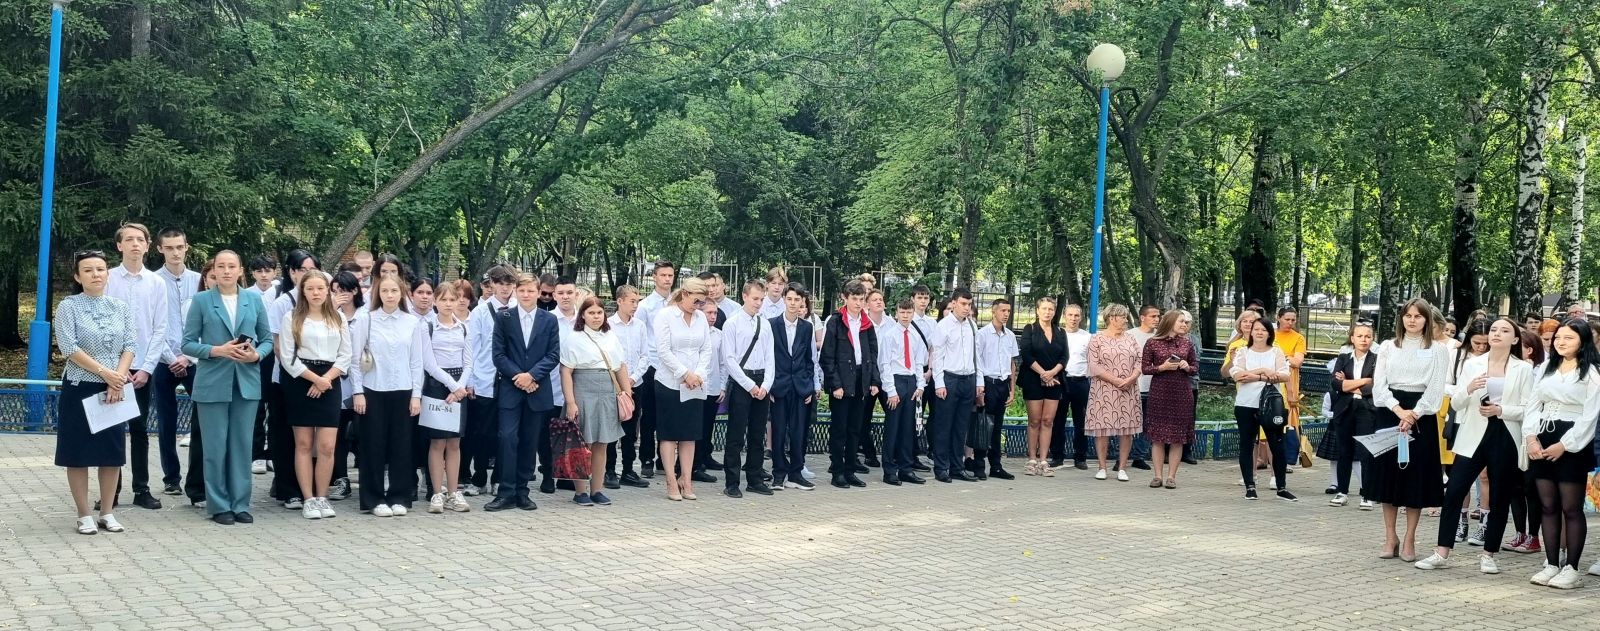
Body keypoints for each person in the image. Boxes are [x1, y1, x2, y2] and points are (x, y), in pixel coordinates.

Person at [1414, 317, 1531, 574]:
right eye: (1494, 330)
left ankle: (1489, 553)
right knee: (1455, 490)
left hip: (1505, 434)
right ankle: (1442, 551)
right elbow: (1456, 403)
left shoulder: (1523, 369)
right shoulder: (1472, 364)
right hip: (1472, 433)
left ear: (1514, 338)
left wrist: (1501, 410)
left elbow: (1528, 408)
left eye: (1504, 330)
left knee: (1499, 495)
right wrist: (1468, 388)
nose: (1497, 334)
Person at [181, 251, 274, 525]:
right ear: (214, 270)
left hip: (246, 381)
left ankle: (240, 503)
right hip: (212, 382)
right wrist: (216, 350)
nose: (226, 271)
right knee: (215, 446)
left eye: (231, 266)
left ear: (241, 270)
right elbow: (187, 344)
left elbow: (267, 340)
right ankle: (218, 504)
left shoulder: (253, 300)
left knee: (242, 445)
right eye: (221, 266)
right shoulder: (201, 300)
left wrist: (256, 355)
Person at [55, 250, 137, 534]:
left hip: (114, 388)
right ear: (78, 277)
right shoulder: (68, 306)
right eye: (88, 270)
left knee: (111, 452)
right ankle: (83, 514)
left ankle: (107, 512)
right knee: (77, 452)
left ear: (107, 274)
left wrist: (117, 379)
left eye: (100, 269)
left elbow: (130, 344)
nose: (95, 275)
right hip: (80, 386)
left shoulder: (120, 307)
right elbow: (69, 346)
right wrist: (105, 373)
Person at [1370, 298, 1451, 562]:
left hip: (1421, 415)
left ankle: (1409, 538)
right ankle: (1390, 536)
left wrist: (1414, 413)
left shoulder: (1438, 350)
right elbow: (1379, 386)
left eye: (1418, 316)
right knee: (1388, 476)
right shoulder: (1388, 346)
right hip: (1390, 411)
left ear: (1427, 320)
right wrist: (1398, 410)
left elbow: (1436, 388)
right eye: (1408, 315)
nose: (1412, 320)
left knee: (1414, 477)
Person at [1522, 319, 1600, 589]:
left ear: (1582, 341)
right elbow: (1533, 405)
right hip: (1543, 436)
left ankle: (1572, 568)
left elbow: (1590, 416)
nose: (1561, 342)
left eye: (1569, 338)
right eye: (1558, 337)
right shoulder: (1547, 368)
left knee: (1571, 508)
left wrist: (1565, 445)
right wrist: (1531, 437)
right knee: (1547, 505)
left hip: (1572, 441)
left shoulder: (1591, 373)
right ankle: (1552, 563)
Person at [274, 272, 351, 520]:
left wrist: (325, 379)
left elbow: (345, 355)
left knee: (327, 446)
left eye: (320, 288)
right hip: (301, 380)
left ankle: (322, 497)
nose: (316, 293)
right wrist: (314, 379)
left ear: (328, 290)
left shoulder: (338, 317)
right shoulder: (292, 317)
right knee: (304, 444)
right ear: (303, 291)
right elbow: (287, 357)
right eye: (310, 289)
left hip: (330, 379)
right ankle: (308, 498)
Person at [104, 223, 170, 511]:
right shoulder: (107, 278)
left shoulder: (156, 283)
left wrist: (146, 368)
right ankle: (111, 491)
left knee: (140, 429)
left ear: (147, 245)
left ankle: (141, 489)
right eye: (128, 239)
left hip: (142, 368)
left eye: (139, 239)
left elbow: (160, 328)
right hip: (111, 369)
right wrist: (113, 369)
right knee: (112, 430)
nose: (134, 244)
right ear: (119, 245)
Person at [349, 274, 426, 517]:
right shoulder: (366, 320)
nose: (390, 295)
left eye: (394, 291)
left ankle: (399, 496)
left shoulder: (412, 322)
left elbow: (417, 362)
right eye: (385, 291)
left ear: (402, 293)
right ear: (377, 294)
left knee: (401, 446)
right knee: (373, 445)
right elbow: (355, 359)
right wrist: (358, 392)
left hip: (403, 389)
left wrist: (416, 395)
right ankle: (373, 499)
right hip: (373, 389)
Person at [486, 274, 560, 512]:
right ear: (515, 292)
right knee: (507, 438)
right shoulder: (504, 317)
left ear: (538, 292)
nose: (526, 295)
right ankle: (505, 492)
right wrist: (520, 377)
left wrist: (532, 376)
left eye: (531, 291)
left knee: (530, 441)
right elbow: (498, 355)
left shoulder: (549, 320)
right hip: (511, 388)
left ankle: (522, 492)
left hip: (537, 389)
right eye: (522, 290)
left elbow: (553, 355)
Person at [560, 296, 632, 507]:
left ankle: (597, 490)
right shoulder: (574, 338)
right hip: (583, 390)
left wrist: (627, 393)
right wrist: (571, 402)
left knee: (602, 443)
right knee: (583, 443)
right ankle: (580, 491)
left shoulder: (610, 336)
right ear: (582, 315)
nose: (596, 317)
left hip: (607, 392)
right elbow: (566, 371)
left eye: (599, 312)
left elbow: (620, 366)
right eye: (591, 313)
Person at [264, 250, 321, 509]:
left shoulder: (324, 302)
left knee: (311, 437)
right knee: (285, 436)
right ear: (292, 272)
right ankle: (288, 489)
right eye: (302, 270)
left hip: (318, 380)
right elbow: (278, 346)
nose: (307, 274)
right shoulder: (282, 304)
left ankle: (311, 487)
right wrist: (302, 371)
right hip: (286, 379)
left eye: (312, 269)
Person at [654, 277, 714, 501]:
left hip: (694, 384)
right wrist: (684, 374)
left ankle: (686, 479)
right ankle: (670, 479)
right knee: (670, 434)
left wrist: (698, 374)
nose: (699, 306)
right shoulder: (665, 316)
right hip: (670, 382)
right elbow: (663, 351)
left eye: (702, 302)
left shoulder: (700, 318)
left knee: (690, 435)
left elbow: (706, 349)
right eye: (696, 301)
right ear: (685, 294)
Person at [151, 228, 199, 493]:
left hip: (195, 360)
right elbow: (150, 325)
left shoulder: (200, 280)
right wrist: (171, 358)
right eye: (169, 248)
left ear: (186, 247)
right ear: (160, 249)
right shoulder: (152, 281)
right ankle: (171, 478)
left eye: (179, 247)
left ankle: (197, 478)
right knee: (166, 422)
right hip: (162, 360)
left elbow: (206, 323)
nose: (175, 252)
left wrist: (188, 357)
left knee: (202, 419)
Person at [464, 265, 518, 497]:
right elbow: (472, 348)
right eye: (500, 284)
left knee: (505, 433)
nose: (505, 288)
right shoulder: (480, 312)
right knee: (482, 432)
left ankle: (499, 478)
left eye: (509, 284)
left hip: (511, 380)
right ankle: (478, 479)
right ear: (492, 285)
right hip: (485, 378)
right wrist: (471, 380)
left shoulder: (518, 309)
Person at [821, 280, 880, 488]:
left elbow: (872, 354)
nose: (858, 303)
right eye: (854, 299)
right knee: (840, 429)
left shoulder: (866, 323)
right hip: (842, 380)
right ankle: (837, 471)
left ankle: (850, 470)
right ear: (845, 298)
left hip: (860, 379)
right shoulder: (836, 321)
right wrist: (835, 384)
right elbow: (827, 356)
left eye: (861, 299)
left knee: (855, 428)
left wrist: (874, 380)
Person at [720, 279, 776, 497]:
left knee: (757, 433)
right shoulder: (732, 323)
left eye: (761, 299)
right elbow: (729, 359)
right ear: (744, 296)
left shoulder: (765, 324)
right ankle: (732, 482)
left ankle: (754, 478)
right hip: (742, 380)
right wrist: (749, 385)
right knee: (736, 434)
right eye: (755, 299)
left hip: (762, 380)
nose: (758, 303)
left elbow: (770, 357)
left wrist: (766, 384)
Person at [421, 281, 473, 514]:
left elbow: (469, 362)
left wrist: (460, 387)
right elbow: (429, 364)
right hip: (436, 386)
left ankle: (453, 492)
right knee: (437, 442)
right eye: (443, 299)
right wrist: (452, 386)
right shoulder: (427, 327)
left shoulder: (463, 328)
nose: (449, 304)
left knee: (454, 442)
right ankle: (436, 492)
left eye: (453, 299)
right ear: (435, 301)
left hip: (458, 388)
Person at [1228, 317, 1294, 501]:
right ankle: (1250, 485)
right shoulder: (1243, 351)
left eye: (1263, 330)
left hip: (1271, 405)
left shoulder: (1276, 351)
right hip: (1246, 403)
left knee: (1276, 444)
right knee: (1247, 444)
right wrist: (1264, 371)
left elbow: (1284, 375)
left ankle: (1281, 487)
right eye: (1256, 329)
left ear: (1269, 333)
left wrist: (1254, 376)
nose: (1259, 332)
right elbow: (1238, 375)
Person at [1140, 309, 1198, 489]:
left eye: (1185, 322)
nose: (1184, 325)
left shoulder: (1187, 343)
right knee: (1158, 437)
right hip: (1160, 393)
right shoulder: (1152, 342)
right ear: (1171, 322)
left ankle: (1172, 477)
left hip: (1182, 393)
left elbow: (1195, 368)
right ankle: (1157, 476)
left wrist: (1187, 366)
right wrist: (1162, 367)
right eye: (1181, 321)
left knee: (1177, 437)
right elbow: (1145, 368)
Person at [1085, 304, 1143, 482]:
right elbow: (1093, 365)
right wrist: (1116, 380)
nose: (1126, 320)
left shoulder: (1131, 338)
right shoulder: (1097, 339)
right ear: (1111, 318)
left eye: (1126, 317)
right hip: (1104, 389)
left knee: (1126, 429)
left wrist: (1132, 378)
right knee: (1102, 428)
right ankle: (1102, 467)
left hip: (1128, 389)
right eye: (1123, 317)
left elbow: (1140, 360)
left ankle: (1122, 467)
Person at [929, 288, 981, 484]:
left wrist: (979, 382)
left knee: (961, 427)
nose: (967, 308)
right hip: (949, 378)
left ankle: (957, 467)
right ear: (954, 303)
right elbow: (938, 356)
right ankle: (941, 467)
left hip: (968, 379)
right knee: (944, 426)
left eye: (969, 304)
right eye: (963, 304)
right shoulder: (943, 326)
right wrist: (939, 383)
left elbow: (977, 356)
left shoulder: (972, 326)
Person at [771, 283, 819, 489]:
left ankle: (796, 473)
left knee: (799, 432)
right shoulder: (772, 324)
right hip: (779, 386)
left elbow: (811, 359)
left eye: (797, 300)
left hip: (800, 387)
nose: (793, 303)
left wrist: (810, 387)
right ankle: (779, 473)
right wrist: (769, 386)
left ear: (802, 302)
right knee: (779, 431)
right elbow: (768, 358)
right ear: (784, 299)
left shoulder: (807, 327)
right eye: (789, 299)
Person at [606, 285, 653, 490]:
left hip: (635, 383)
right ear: (620, 301)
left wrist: (632, 379)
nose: (635, 305)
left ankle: (628, 469)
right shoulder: (608, 325)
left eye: (637, 301)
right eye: (632, 301)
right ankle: (609, 470)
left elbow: (645, 355)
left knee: (631, 429)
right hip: (614, 385)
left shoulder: (639, 326)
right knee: (611, 428)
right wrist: (621, 381)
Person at [876, 297, 926, 486]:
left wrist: (920, 385)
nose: (905, 316)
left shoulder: (915, 335)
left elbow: (919, 362)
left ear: (913, 313)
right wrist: (891, 390)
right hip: (895, 381)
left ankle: (906, 468)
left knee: (908, 428)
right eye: (902, 312)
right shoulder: (889, 335)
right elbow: (884, 364)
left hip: (911, 381)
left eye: (909, 312)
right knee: (893, 428)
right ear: (896, 313)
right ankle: (889, 470)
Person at [1328, 324, 1378, 510]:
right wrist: (1363, 381)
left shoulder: (1377, 360)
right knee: (1344, 451)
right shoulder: (1343, 358)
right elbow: (1335, 384)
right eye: (1360, 336)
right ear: (1352, 338)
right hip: (1345, 409)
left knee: (1366, 452)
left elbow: (1375, 385)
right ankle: (1342, 491)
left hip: (1366, 409)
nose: (1364, 339)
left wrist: (1348, 384)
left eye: (1367, 336)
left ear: (1372, 339)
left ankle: (1367, 494)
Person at [326, 271, 364, 501]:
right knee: (337, 435)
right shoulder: (327, 315)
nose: (341, 294)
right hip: (335, 381)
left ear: (355, 291)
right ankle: (341, 479)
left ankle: (368, 478)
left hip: (362, 383)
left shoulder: (366, 315)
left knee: (362, 432)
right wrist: (332, 309)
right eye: (336, 290)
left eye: (345, 290)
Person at [1019, 298, 1065, 477]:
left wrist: (1052, 373)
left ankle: (1044, 460)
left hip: (1054, 381)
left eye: (1051, 309)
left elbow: (1065, 357)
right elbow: (1026, 354)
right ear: (1037, 310)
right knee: (1034, 421)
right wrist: (1043, 374)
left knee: (1048, 421)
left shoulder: (1060, 331)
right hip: (1033, 379)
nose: (1047, 312)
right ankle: (1032, 459)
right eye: (1044, 309)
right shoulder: (1029, 329)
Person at [972, 298, 1018, 480]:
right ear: (994, 311)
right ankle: (978, 464)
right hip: (988, 383)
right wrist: (980, 389)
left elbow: (1012, 363)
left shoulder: (1010, 336)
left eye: (1008, 311)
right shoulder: (982, 334)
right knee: (984, 425)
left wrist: (1012, 389)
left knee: (997, 427)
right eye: (1002, 310)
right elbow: (977, 362)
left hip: (1002, 384)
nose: (1006, 314)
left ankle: (996, 466)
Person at [638, 261, 676, 476]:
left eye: (670, 275)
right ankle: (646, 459)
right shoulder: (645, 306)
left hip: (672, 366)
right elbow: (641, 336)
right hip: (652, 364)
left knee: (668, 414)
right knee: (649, 415)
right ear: (654, 277)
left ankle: (665, 459)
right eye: (663, 275)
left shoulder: (677, 303)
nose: (667, 279)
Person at [1048, 303, 1094, 471]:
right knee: (1057, 420)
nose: (1073, 319)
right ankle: (1057, 456)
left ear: (1081, 317)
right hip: (1060, 381)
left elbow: (1092, 360)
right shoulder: (1056, 334)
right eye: (1070, 315)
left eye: (1076, 315)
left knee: (1081, 422)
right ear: (1064, 316)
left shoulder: (1088, 337)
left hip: (1080, 382)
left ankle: (1080, 457)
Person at [692, 300, 726, 484]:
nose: (713, 317)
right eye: (709, 313)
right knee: (695, 427)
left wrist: (722, 386)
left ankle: (705, 457)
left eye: (715, 313)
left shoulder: (719, 335)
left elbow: (723, 363)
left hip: (712, 387)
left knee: (708, 426)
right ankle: (693, 464)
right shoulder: (694, 333)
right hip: (695, 386)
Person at [1125, 305, 1162, 472]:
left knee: (1147, 423)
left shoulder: (1160, 337)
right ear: (1142, 317)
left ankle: (1139, 456)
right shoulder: (1130, 335)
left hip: (1153, 386)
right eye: (1153, 316)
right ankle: (1121, 457)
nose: (1156, 319)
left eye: (1158, 316)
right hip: (1132, 386)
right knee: (1126, 422)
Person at [1274, 308, 1308, 468]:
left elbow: (1297, 362)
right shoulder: (1271, 335)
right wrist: (1288, 357)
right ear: (1279, 318)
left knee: (1288, 416)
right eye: (1287, 319)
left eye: (1293, 320)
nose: (1290, 323)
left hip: (1289, 381)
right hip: (1271, 378)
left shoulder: (1298, 338)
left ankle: (1287, 457)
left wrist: (1281, 356)